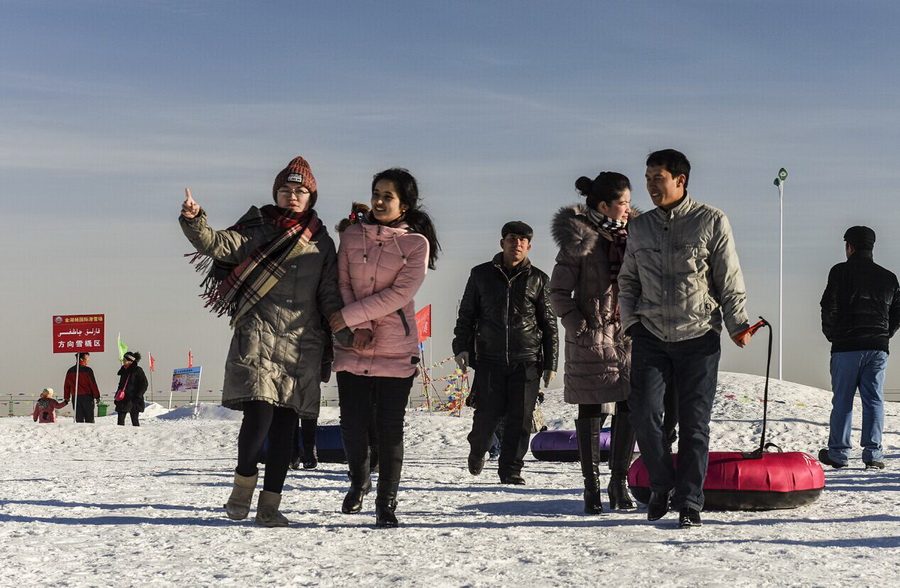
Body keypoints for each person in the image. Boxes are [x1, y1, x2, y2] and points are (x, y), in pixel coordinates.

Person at [180, 156, 343, 527]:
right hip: (258, 332)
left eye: (300, 191)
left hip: (303, 340)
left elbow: (329, 294)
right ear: (276, 193)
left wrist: (345, 330)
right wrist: (194, 219)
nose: (292, 196)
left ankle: (270, 505)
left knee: (287, 425)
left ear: (311, 196)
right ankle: (242, 488)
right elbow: (216, 244)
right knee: (259, 415)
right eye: (285, 190)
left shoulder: (321, 241)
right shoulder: (257, 228)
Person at [619, 149, 753, 528]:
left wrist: (737, 323)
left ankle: (690, 501)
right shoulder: (640, 227)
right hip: (651, 334)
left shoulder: (711, 220)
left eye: (656, 177)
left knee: (695, 424)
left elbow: (729, 278)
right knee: (644, 414)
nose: (650, 184)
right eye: (646, 177)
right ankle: (661, 484)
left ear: (680, 180)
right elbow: (627, 280)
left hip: (699, 336)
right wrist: (632, 324)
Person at [328, 168, 439, 528]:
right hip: (352, 346)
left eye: (387, 196)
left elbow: (400, 294)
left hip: (395, 346)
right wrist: (355, 327)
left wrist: (353, 318)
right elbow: (342, 282)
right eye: (376, 193)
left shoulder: (415, 244)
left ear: (404, 204)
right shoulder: (351, 236)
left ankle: (386, 502)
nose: (378, 200)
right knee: (353, 424)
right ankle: (359, 482)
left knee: (390, 428)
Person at [549, 171, 637, 513]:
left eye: (630, 202)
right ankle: (591, 488)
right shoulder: (579, 239)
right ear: (604, 205)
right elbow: (558, 291)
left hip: (628, 335)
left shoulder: (634, 238)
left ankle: (619, 483)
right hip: (591, 336)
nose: (628, 208)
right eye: (623, 202)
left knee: (630, 405)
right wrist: (578, 325)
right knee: (591, 408)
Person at [453, 220, 559, 485]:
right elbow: (467, 314)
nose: (517, 244)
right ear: (502, 243)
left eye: (523, 241)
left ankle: (511, 469)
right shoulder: (480, 275)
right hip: (490, 359)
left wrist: (551, 363)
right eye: (512, 239)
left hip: (527, 360)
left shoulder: (539, 279)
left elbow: (549, 324)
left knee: (520, 419)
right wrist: (461, 346)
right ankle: (478, 448)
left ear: (529, 246)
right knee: (486, 416)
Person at [818, 226, 900, 470]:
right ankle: (873, 454)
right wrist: (884, 334)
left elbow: (828, 305)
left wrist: (832, 334)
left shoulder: (839, 272)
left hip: (846, 346)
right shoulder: (889, 277)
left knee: (842, 400)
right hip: (877, 347)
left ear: (849, 247)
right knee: (874, 400)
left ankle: (839, 454)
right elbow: (897, 312)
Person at [63, 352, 101, 423]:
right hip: (87, 397)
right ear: (81, 359)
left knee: (79, 419)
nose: (88, 361)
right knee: (89, 419)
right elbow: (93, 384)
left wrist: (67, 397)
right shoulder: (88, 370)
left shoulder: (70, 371)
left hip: (76, 397)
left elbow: (66, 386)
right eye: (87, 359)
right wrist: (97, 396)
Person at [114, 352, 149, 426]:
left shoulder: (138, 370)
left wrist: (138, 396)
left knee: (134, 420)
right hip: (123, 399)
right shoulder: (123, 371)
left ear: (130, 361)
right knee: (120, 420)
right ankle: (120, 435)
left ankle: (136, 436)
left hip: (133, 399)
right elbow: (121, 385)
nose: (123, 361)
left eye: (124, 359)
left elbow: (144, 384)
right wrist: (117, 396)